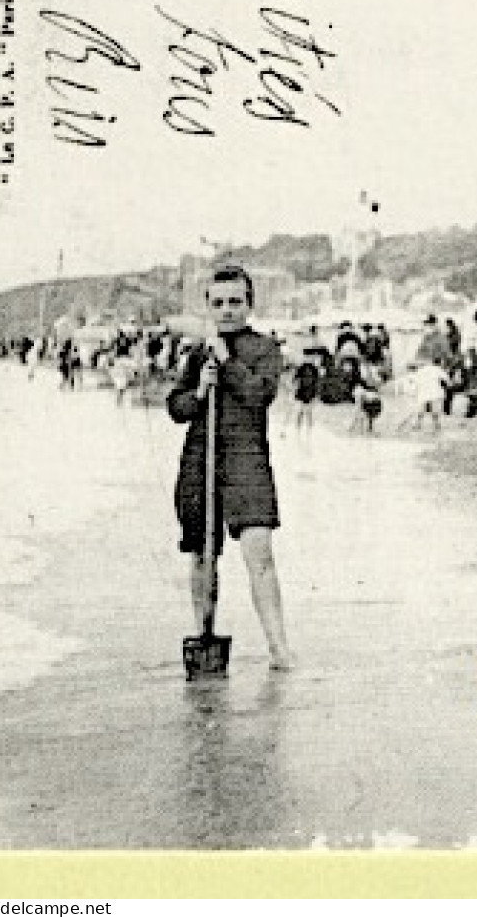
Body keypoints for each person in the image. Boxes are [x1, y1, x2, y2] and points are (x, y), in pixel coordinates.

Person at [166, 263, 294, 670]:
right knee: (203, 555)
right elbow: (176, 407)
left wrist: (227, 361)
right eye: (219, 303)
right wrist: (200, 390)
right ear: (208, 306)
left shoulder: (264, 349)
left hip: (246, 461)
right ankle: (204, 633)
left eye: (235, 302)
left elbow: (259, 395)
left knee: (259, 553)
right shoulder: (197, 353)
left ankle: (279, 649)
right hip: (200, 460)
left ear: (249, 305)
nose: (227, 311)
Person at [290, 353, 321, 434]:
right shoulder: (304, 367)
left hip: (309, 392)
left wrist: (317, 390)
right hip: (303, 391)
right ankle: (299, 428)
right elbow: (295, 378)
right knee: (302, 411)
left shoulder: (312, 368)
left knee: (307, 412)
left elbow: (317, 380)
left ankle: (308, 429)